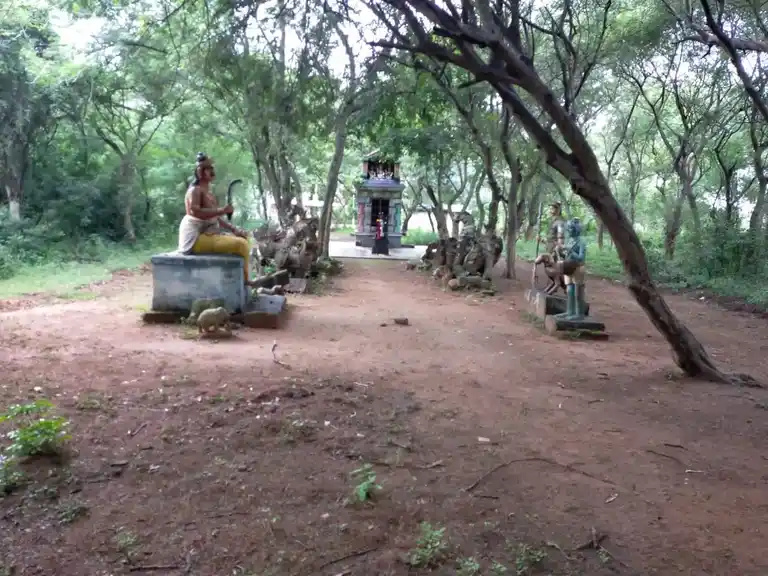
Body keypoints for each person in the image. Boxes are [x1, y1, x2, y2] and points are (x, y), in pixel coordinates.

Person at [177, 153, 253, 285]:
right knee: (240, 244)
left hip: (208, 234)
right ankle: (246, 282)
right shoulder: (195, 190)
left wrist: (234, 229)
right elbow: (196, 212)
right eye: (208, 168)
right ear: (200, 172)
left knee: (244, 238)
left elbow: (215, 217)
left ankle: (242, 278)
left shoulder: (208, 192)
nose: (212, 171)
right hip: (195, 239)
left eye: (212, 168)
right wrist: (222, 210)